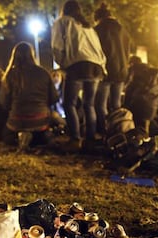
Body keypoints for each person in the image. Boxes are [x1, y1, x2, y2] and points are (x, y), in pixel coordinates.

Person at [51, 0, 106, 153]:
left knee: (69, 103)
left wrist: (63, 64)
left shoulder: (62, 22)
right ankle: (90, 138)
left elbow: (57, 46)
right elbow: (99, 49)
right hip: (96, 67)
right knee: (89, 104)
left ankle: (75, 139)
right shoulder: (88, 27)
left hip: (77, 65)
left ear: (64, 11)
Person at [0, 42, 59, 151]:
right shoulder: (43, 73)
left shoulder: (9, 75)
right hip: (40, 119)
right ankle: (42, 137)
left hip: (17, 121)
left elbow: (4, 102)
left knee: (6, 136)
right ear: (32, 55)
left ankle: (21, 137)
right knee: (41, 132)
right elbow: (54, 98)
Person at [93, 2, 130, 137]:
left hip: (106, 72)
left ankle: (104, 131)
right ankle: (118, 129)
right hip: (121, 71)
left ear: (98, 18)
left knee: (100, 104)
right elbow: (127, 51)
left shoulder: (98, 30)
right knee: (116, 104)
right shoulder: (122, 29)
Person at [124, 56, 158, 137]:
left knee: (137, 128)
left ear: (132, 63)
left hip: (139, 106)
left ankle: (141, 141)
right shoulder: (154, 72)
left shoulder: (134, 70)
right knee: (146, 125)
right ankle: (148, 141)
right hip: (152, 107)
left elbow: (128, 88)